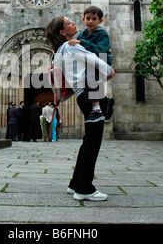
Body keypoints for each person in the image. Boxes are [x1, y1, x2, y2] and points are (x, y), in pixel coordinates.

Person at [45, 15, 115, 201]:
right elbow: (94, 61)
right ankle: (84, 188)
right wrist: (109, 71)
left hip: (81, 94)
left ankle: (75, 182)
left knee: (88, 140)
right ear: (62, 32)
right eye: (69, 23)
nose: (74, 23)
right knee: (93, 141)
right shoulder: (72, 46)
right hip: (91, 92)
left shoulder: (58, 52)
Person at [68, 6, 114, 122]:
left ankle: (97, 109)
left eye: (94, 19)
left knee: (90, 78)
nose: (90, 21)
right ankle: (105, 102)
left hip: (101, 61)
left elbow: (101, 50)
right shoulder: (81, 35)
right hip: (88, 63)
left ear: (100, 21)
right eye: (88, 18)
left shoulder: (102, 34)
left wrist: (83, 43)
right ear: (83, 19)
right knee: (86, 79)